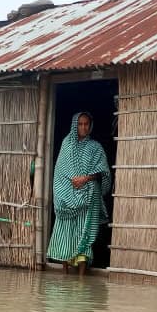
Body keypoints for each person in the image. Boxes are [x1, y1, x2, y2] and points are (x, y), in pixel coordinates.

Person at [47, 112, 111, 276]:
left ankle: (81, 280)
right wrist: (63, 193)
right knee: (66, 233)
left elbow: (102, 172)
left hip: (88, 197)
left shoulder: (95, 147)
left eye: (86, 124)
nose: (83, 127)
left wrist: (85, 179)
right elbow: (60, 173)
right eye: (80, 124)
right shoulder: (66, 144)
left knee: (84, 233)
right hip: (66, 195)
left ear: (90, 126)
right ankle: (65, 275)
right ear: (75, 125)